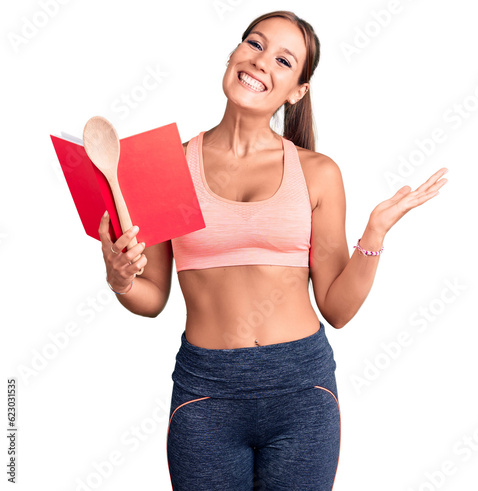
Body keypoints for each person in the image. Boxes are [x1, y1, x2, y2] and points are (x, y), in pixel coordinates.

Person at [98, 10, 448, 490]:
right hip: (207, 393)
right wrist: (120, 280)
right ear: (234, 53)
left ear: (297, 90)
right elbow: (152, 296)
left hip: (302, 391)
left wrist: (374, 235)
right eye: (255, 44)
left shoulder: (318, 172)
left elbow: (338, 310)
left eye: (284, 60)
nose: (261, 62)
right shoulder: (168, 166)